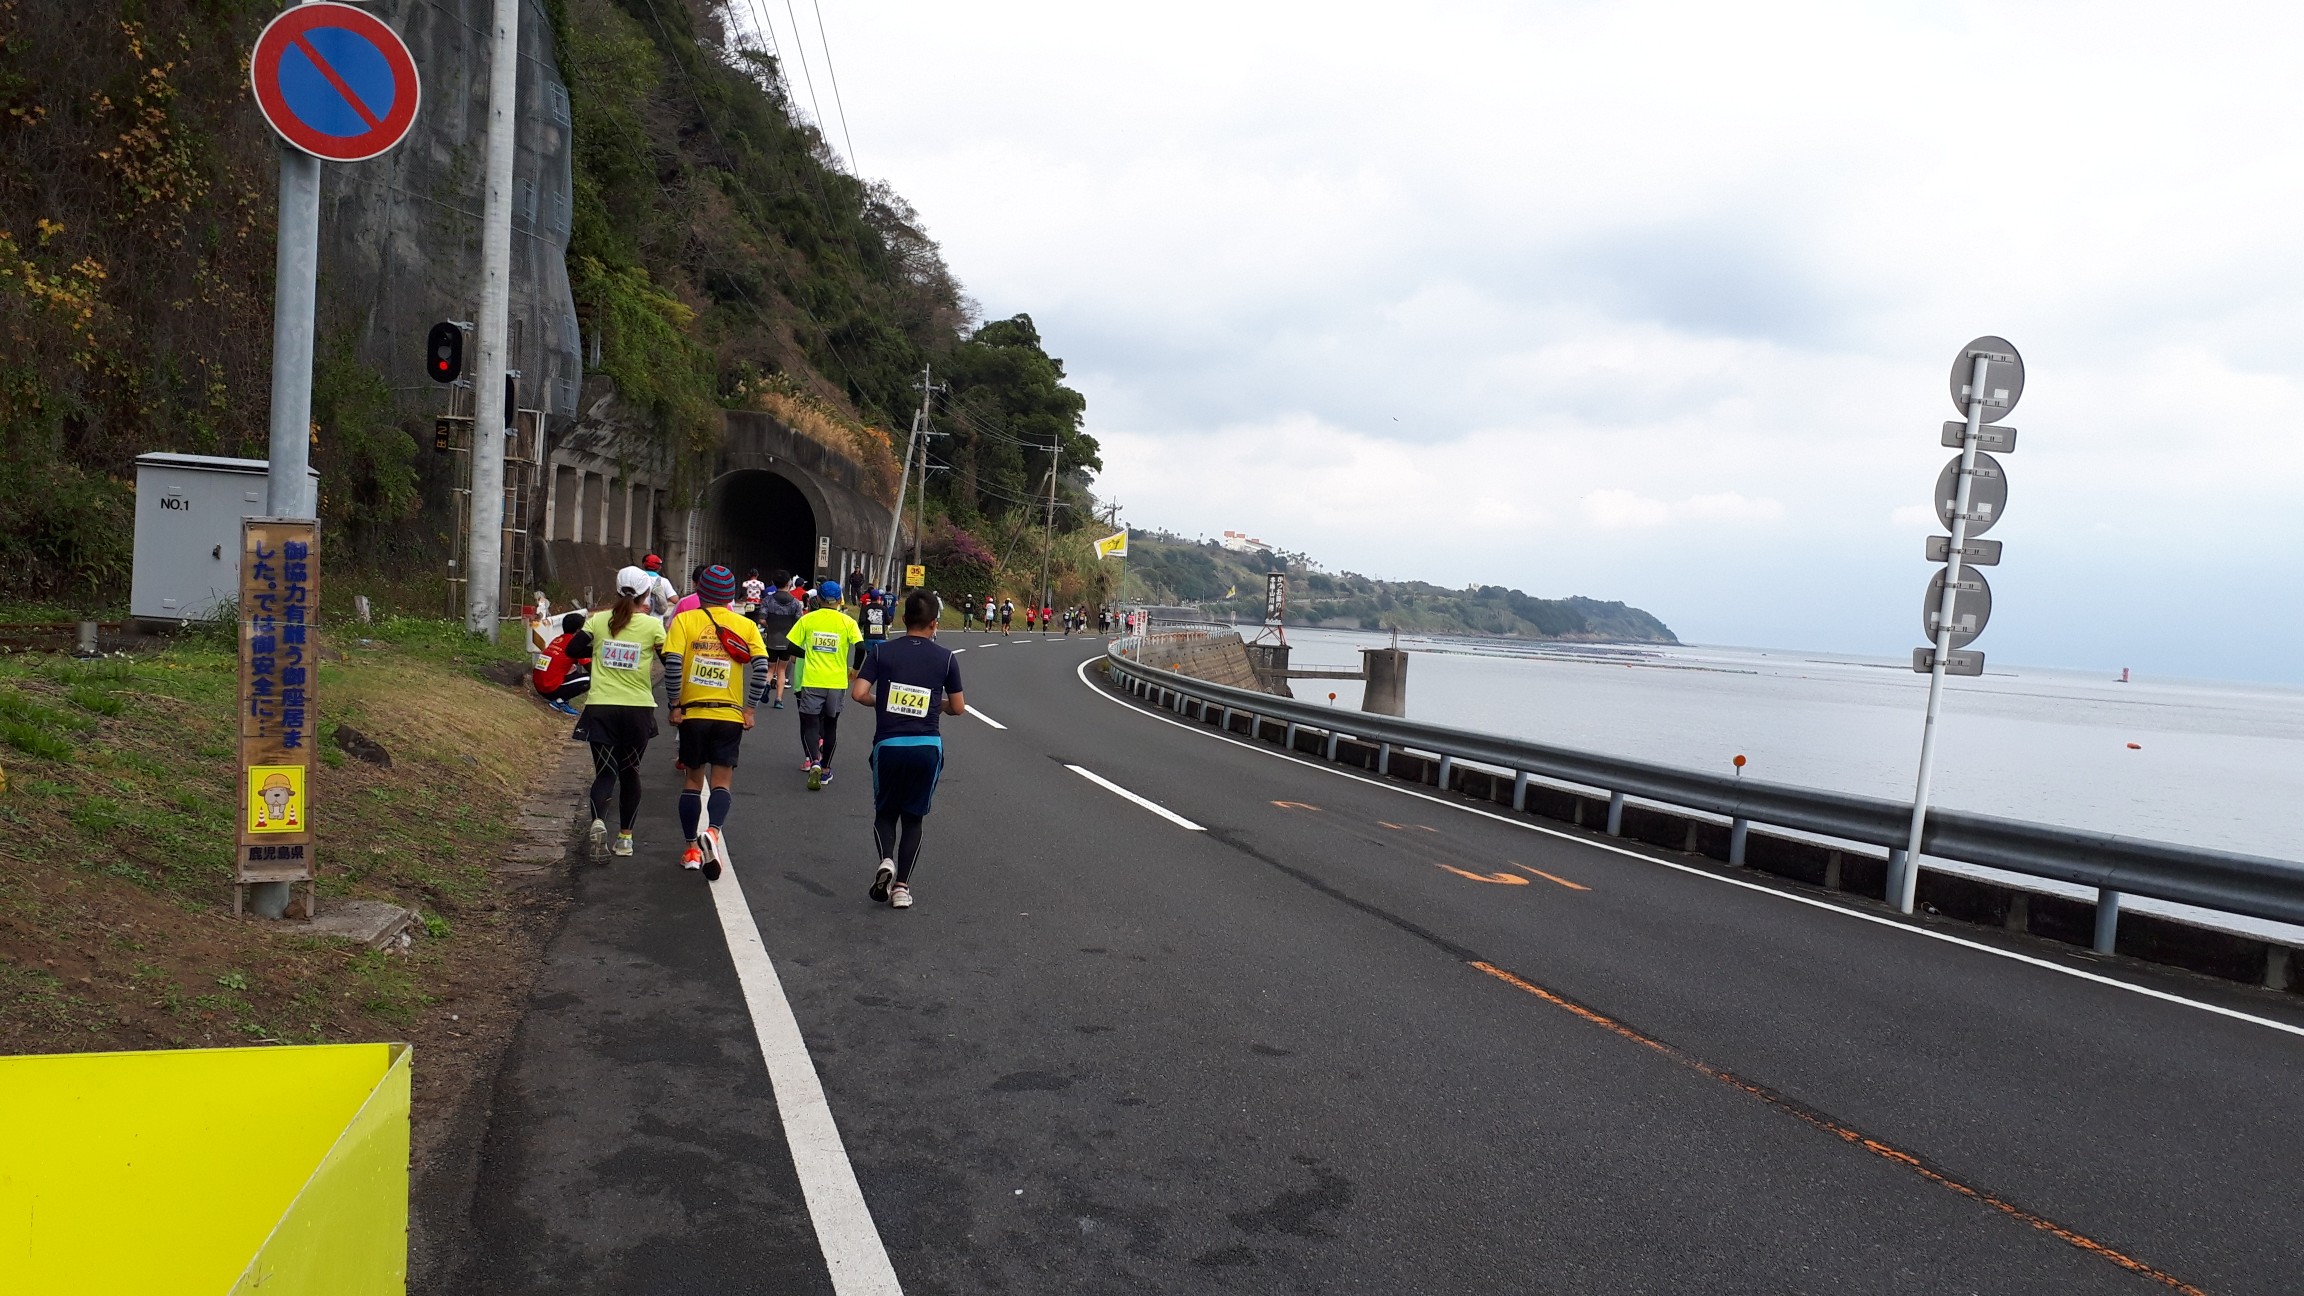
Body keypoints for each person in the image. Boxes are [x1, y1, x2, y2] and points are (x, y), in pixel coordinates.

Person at [852, 590, 965, 909]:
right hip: (927, 747)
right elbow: (958, 708)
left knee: (885, 812)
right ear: (934, 624)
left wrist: (882, 702)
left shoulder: (882, 652)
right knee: (913, 818)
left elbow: (859, 693)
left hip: (888, 746)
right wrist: (935, 705)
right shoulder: (945, 657)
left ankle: (886, 860)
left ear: (903, 620)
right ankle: (901, 887)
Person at [663, 564, 770, 880]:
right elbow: (761, 667)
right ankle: (713, 830)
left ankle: (691, 849)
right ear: (731, 596)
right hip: (729, 715)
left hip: (694, 713)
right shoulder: (744, 625)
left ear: (699, 591)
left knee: (693, 782)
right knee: (722, 782)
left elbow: (672, 664)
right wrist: (749, 709)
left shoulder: (685, 620)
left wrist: (674, 704)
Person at [575, 567, 668, 860]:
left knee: (605, 772)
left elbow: (573, 649)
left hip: (601, 707)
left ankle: (598, 822)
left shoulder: (599, 620)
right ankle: (625, 838)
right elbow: (669, 660)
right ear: (645, 595)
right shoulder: (653, 627)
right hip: (637, 710)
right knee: (630, 773)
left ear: (617, 591)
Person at [788, 580, 864, 789]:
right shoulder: (847, 622)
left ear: (818, 599)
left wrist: (809, 654)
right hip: (837, 682)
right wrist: (855, 669)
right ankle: (826, 769)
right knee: (831, 726)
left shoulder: (808, 620)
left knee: (811, 724)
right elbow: (861, 648)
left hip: (812, 680)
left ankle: (813, 761)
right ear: (840, 599)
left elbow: (790, 647)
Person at [755, 569, 804, 708]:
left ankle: (765, 687)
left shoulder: (768, 600)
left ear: (774, 583)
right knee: (781, 670)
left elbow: (762, 619)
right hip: (787, 641)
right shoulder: (795, 603)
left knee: (770, 669)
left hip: (772, 640)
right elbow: (799, 621)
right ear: (789, 583)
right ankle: (778, 700)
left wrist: (771, 625)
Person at [530, 610, 592, 715]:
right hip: (549, 688)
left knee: (573, 668)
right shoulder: (575, 644)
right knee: (593, 678)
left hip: (539, 685)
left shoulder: (558, 639)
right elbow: (590, 667)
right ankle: (559, 702)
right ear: (578, 631)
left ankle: (561, 699)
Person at [640, 553, 681, 625]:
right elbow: (675, 600)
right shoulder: (664, 581)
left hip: (640, 619)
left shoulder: (638, 579)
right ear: (659, 567)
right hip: (656, 622)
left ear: (644, 565)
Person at [858, 588, 890, 666]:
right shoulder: (883, 608)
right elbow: (888, 621)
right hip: (880, 637)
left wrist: (860, 628)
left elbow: (862, 621)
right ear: (878, 597)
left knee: (870, 656)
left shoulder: (865, 608)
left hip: (868, 636)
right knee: (879, 656)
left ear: (870, 597)